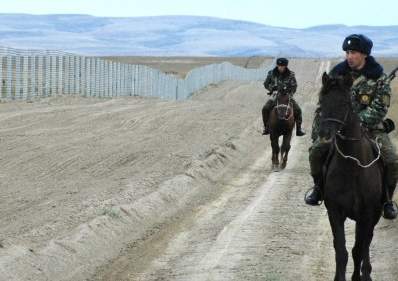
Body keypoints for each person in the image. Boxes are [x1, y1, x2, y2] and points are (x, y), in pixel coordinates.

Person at [305, 34, 398, 220]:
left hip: (371, 127)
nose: (349, 56)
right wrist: (319, 131)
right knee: (316, 151)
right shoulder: (336, 74)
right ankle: (318, 188)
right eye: (347, 52)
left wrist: (360, 121)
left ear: (364, 54)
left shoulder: (378, 78)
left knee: (392, 159)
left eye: (353, 52)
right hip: (340, 128)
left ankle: (387, 200)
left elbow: (380, 107)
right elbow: (325, 105)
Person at [262, 58, 306, 136]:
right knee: (265, 108)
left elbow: (294, 86)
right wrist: (272, 89)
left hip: (287, 95)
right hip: (275, 95)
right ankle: (266, 127)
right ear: (277, 65)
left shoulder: (291, 74)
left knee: (298, 110)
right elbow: (266, 84)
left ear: (285, 66)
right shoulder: (271, 73)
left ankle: (299, 129)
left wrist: (290, 94)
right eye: (279, 66)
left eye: (282, 66)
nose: (280, 68)